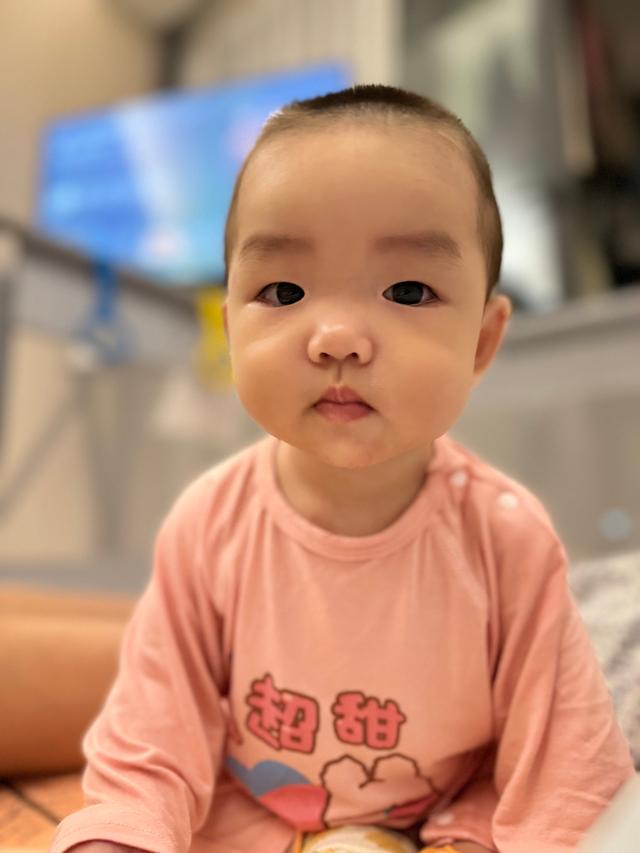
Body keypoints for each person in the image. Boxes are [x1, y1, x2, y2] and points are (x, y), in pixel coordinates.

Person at [48, 84, 634, 853]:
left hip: (450, 816)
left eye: (408, 290)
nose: (337, 338)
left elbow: (562, 767)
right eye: (283, 290)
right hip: (256, 819)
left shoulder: (507, 539)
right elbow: (154, 738)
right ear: (232, 327)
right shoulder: (207, 526)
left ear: (483, 341)